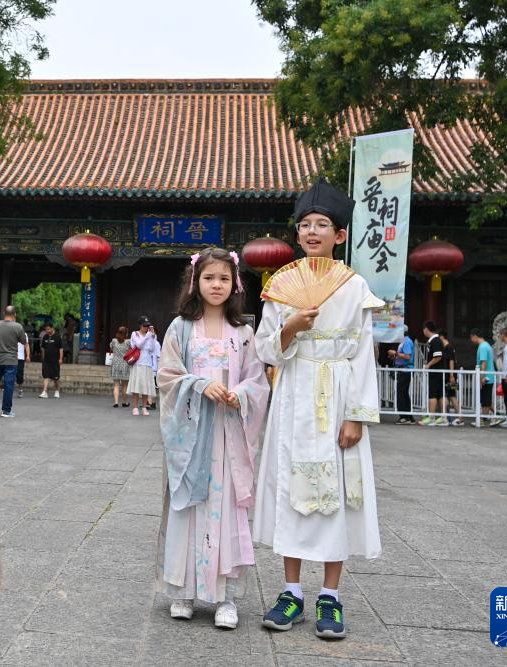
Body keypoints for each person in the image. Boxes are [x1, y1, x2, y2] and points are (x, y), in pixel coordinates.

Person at [254, 178, 382, 641]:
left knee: (337, 494)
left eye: (322, 224)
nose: (312, 231)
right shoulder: (281, 284)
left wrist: (356, 415)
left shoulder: (355, 286)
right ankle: (291, 590)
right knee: (292, 487)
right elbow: (265, 349)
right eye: (305, 224)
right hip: (293, 394)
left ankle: (330, 594)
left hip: (338, 392)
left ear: (339, 235)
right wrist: (290, 325)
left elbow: (362, 354)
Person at [155, 247, 269, 629]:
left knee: (227, 510)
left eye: (223, 278)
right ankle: (182, 591)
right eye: (208, 278)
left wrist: (242, 394)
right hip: (192, 436)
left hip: (228, 435)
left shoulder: (244, 333)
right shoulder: (180, 328)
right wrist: (199, 384)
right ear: (195, 282)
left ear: (235, 284)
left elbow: (257, 381)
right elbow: (167, 375)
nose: (216, 285)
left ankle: (226, 597)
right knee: (188, 507)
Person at [0, 306, 27, 418]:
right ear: (15, 314)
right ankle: (6, 411)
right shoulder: (18, 326)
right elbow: (23, 341)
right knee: (8, 385)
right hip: (11, 360)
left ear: (4, 313)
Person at [127, 316, 159, 416]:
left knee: (146, 387)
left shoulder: (150, 335)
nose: (146, 328)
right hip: (138, 363)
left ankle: (144, 407)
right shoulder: (134, 334)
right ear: (140, 325)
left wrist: (153, 337)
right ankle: (135, 407)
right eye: (144, 326)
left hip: (147, 364)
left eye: (147, 326)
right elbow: (139, 345)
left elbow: (152, 349)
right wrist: (147, 336)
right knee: (136, 387)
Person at [470, 329, 501, 427]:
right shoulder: (487, 345)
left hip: (487, 377)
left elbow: (484, 362)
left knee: (485, 400)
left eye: (471, 337)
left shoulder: (483, 347)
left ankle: (483, 420)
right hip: (489, 376)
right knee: (485, 399)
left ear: (475, 336)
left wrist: (482, 376)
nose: (471, 340)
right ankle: (497, 416)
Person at [418, 321, 447, 426]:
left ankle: (431, 417)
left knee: (433, 394)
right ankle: (443, 417)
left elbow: (438, 356)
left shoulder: (435, 341)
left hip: (435, 372)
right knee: (440, 394)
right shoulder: (436, 340)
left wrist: (428, 365)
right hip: (438, 372)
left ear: (426, 329)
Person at [387, 325, 415, 424]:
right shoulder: (404, 341)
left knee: (401, 393)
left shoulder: (406, 341)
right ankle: (409, 417)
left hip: (405, 370)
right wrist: (394, 356)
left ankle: (404, 417)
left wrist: (396, 353)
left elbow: (407, 356)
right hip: (403, 370)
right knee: (404, 393)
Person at [438, 331, 464, 426]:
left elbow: (451, 362)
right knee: (449, 396)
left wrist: (451, 375)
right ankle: (449, 417)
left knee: (452, 396)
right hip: (447, 376)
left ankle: (459, 418)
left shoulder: (449, 347)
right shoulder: (444, 348)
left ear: (442, 337)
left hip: (450, 376)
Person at [38, 322, 63, 398]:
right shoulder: (45, 337)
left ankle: (57, 390)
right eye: (46, 329)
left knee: (55, 378)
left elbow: (61, 348)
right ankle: (44, 392)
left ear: (52, 328)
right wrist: (43, 358)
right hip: (46, 360)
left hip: (55, 360)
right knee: (46, 376)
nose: (47, 331)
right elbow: (43, 348)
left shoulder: (57, 337)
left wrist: (60, 358)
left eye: (48, 329)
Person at [108, 326, 131, 407]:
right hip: (125, 364)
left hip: (115, 364)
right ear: (126, 334)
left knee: (116, 385)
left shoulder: (114, 341)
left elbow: (111, 347)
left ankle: (116, 402)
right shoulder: (128, 342)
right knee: (125, 385)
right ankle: (125, 402)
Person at [147, 325, 162, 410]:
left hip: (153, 367)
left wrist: (159, 369)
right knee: (148, 385)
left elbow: (159, 356)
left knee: (151, 385)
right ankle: (148, 401)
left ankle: (151, 402)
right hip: (148, 365)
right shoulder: (148, 342)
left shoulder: (156, 343)